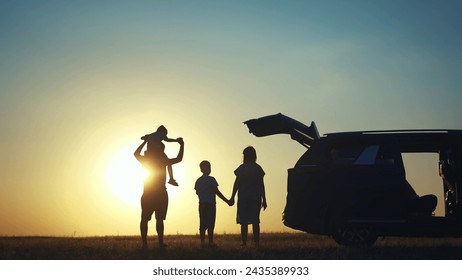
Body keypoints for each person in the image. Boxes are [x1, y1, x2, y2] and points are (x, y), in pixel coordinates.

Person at [134, 137, 184, 249]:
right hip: (160, 194)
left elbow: (136, 154)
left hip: (148, 194)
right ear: (160, 150)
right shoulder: (163, 160)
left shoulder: (147, 160)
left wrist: (144, 141)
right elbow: (179, 158)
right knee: (159, 219)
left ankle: (145, 244)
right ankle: (160, 244)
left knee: (145, 219)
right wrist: (181, 145)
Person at [229, 146, 267, 247]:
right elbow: (261, 185)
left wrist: (232, 196)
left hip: (243, 198)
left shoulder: (242, 168)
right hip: (255, 198)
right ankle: (256, 242)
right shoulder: (258, 168)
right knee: (255, 221)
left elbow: (236, 183)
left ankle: (244, 242)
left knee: (244, 222)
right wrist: (264, 199)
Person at [194, 160, 231, 246]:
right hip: (210, 204)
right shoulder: (212, 179)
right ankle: (210, 241)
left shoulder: (198, 181)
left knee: (202, 223)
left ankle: (202, 241)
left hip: (202, 204)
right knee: (210, 223)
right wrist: (227, 201)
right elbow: (217, 192)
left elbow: (197, 192)